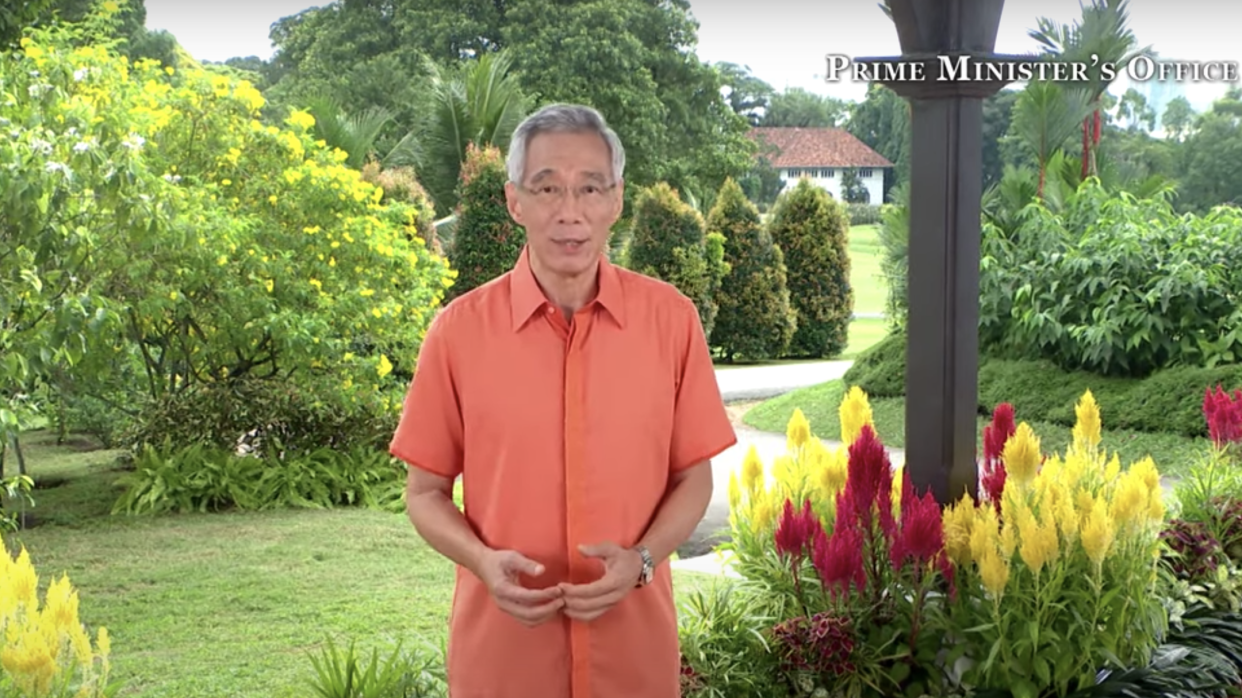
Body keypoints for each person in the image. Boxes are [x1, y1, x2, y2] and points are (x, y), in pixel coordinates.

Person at [388, 103, 737, 698]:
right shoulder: (458, 333)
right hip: (502, 663)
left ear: (617, 199)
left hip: (634, 662)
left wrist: (644, 560)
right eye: (547, 188)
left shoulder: (671, 322)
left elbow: (693, 480)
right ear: (514, 201)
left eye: (590, 188)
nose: (569, 212)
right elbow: (423, 493)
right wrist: (480, 560)